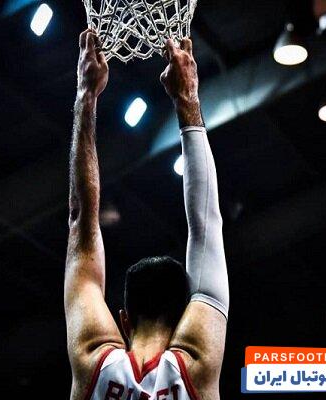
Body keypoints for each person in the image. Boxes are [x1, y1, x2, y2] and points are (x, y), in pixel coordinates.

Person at [65, 29, 229, 400]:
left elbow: (80, 219)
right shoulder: (198, 365)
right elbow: (207, 225)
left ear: (124, 321)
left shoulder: (92, 361)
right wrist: (188, 99)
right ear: (183, 317)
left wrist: (85, 96)